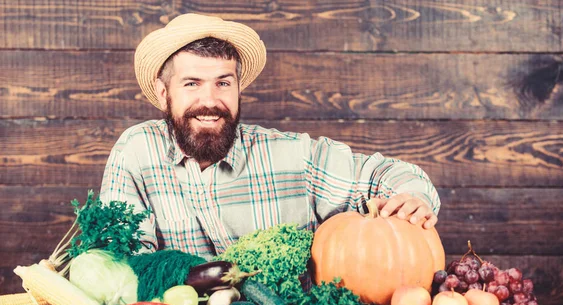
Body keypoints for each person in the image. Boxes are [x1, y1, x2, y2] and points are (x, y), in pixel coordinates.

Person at [100, 13, 441, 259]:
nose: (210, 101)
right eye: (191, 84)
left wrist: (413, 196)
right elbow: (123, 260)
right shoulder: (137, 152)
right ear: (163, 93)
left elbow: (388, 175)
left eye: (223, 82)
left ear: (237, 88)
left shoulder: (294, 157)